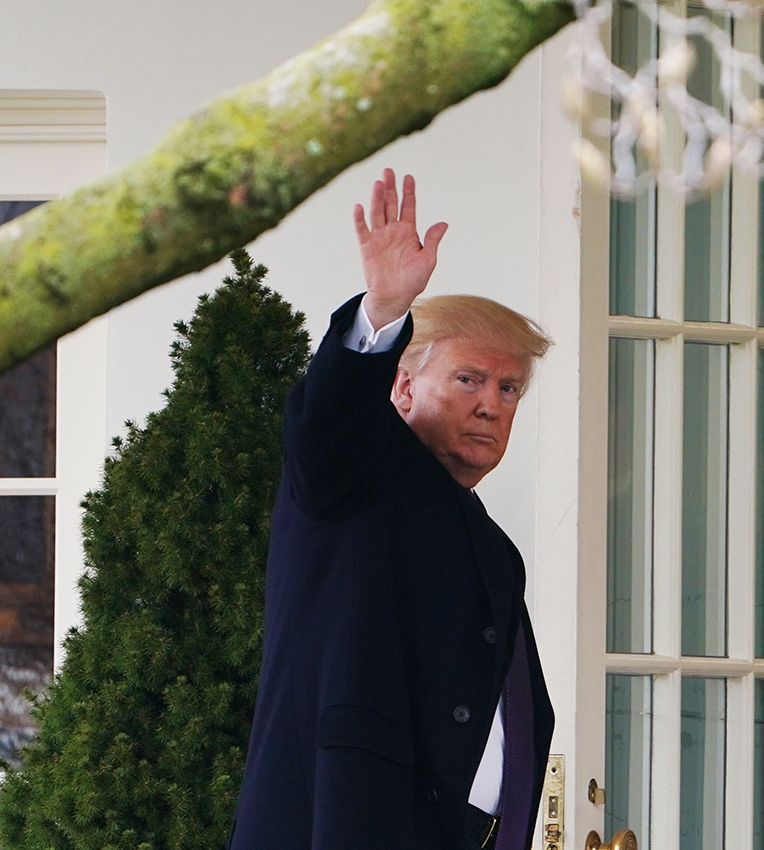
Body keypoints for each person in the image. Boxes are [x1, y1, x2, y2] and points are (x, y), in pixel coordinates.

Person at [228, 168, 554, 850]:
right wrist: (381, 313)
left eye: (509, 389)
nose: (491, 405)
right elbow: (329, 424)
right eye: (467, 379)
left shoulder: (490, 544)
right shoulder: (357, 474)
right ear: (402, 386)